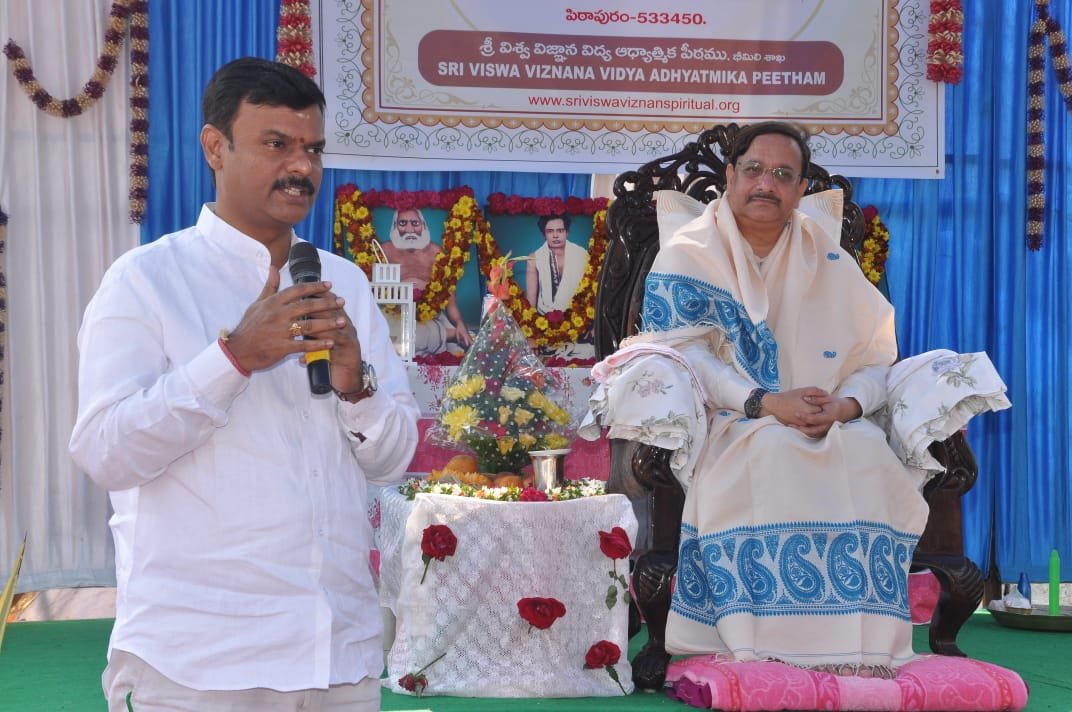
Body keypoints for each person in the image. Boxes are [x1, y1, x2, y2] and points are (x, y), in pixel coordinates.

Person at [69, 57, 419, 711]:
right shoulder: (145, 279)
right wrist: (231, 360)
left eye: (312, 148)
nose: (301, 167)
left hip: (335, 656)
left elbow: (394, 459)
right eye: (276, 145)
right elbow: (104, 451)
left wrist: (354, 383)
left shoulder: (344, 283)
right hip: (200, 660)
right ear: (215, 147)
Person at [587, 122, 928, 680]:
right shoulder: (688, 255)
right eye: (753, 170)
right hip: (729, 418)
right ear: (730, 176)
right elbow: (683, 355)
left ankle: (856, 646)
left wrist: (845, 408)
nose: (765, 184)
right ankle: (762, 644)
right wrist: (765, 404)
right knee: (773, 451)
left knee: (867, 452)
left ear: (798, 190)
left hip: (827, 415)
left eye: (782, 174)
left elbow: (875, 359)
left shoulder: (832, 260)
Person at [379, 207, 473, 355]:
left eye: (415, 223)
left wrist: (460, 323)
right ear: (395, 225)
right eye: (402, 223)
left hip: (430, 317)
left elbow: (450, 299)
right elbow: (373, 291)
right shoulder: (385, 250)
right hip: (395, 314)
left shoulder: (436, 252)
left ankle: (450, 333)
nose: (409, 229)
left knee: (466, 347)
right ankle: (449, 335)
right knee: (394, 336)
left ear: (423, 225)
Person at [524, 214, 588, 314]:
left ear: (567, 233)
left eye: (560, 230)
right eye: (550, 231)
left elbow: (589, 293)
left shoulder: (582, 255)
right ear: (544, 235)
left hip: (577, 316)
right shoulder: (534, 258)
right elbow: (531, 301)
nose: (555, 235)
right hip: (544, 319)